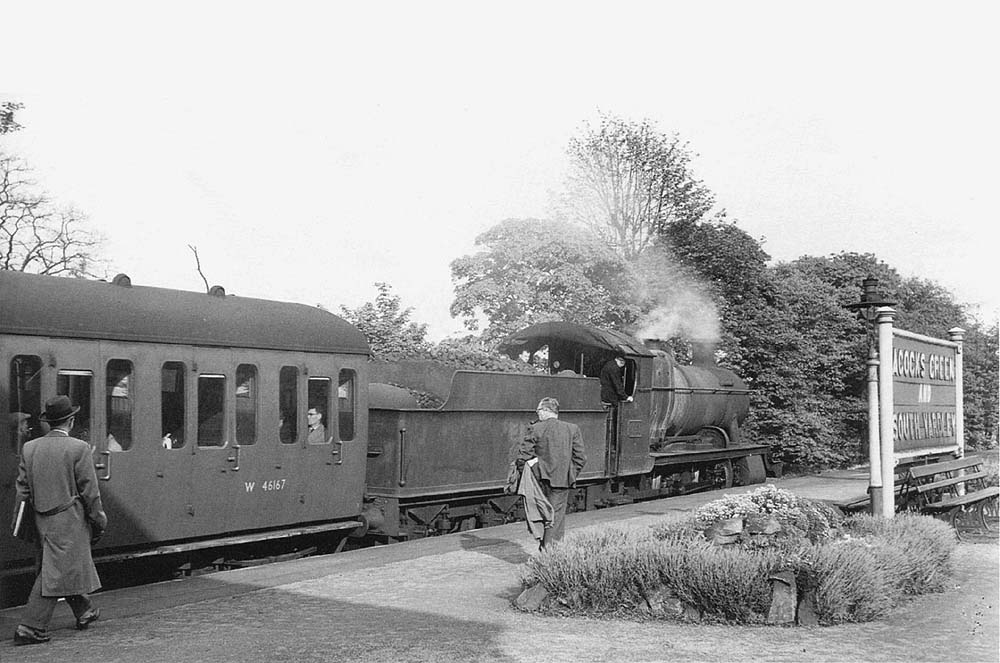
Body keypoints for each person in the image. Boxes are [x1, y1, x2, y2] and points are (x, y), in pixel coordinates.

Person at [13, 395, 107, 646]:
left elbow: (22, 490)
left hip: (41, 519)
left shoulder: (30, 448)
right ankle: (30, 627)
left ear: (48, 422)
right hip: (69, 520)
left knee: (63, 565)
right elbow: (90, 492)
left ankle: (84, 611)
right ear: (72, 421)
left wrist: (21, 523)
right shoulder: (79, 448)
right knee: (55, 571)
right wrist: (99, 519)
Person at [516, 397, 586, 550]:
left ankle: (546, 548)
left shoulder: (536, 428)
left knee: (541, 514)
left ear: (547, 411)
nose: (537, 414)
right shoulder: (572, 429)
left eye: (539, 411)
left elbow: (523, 456)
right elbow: (580, 458)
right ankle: (550, 551)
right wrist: (570, 474)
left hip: (539, 481)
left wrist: (534, 473)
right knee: (556, 517)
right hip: (561, 481)